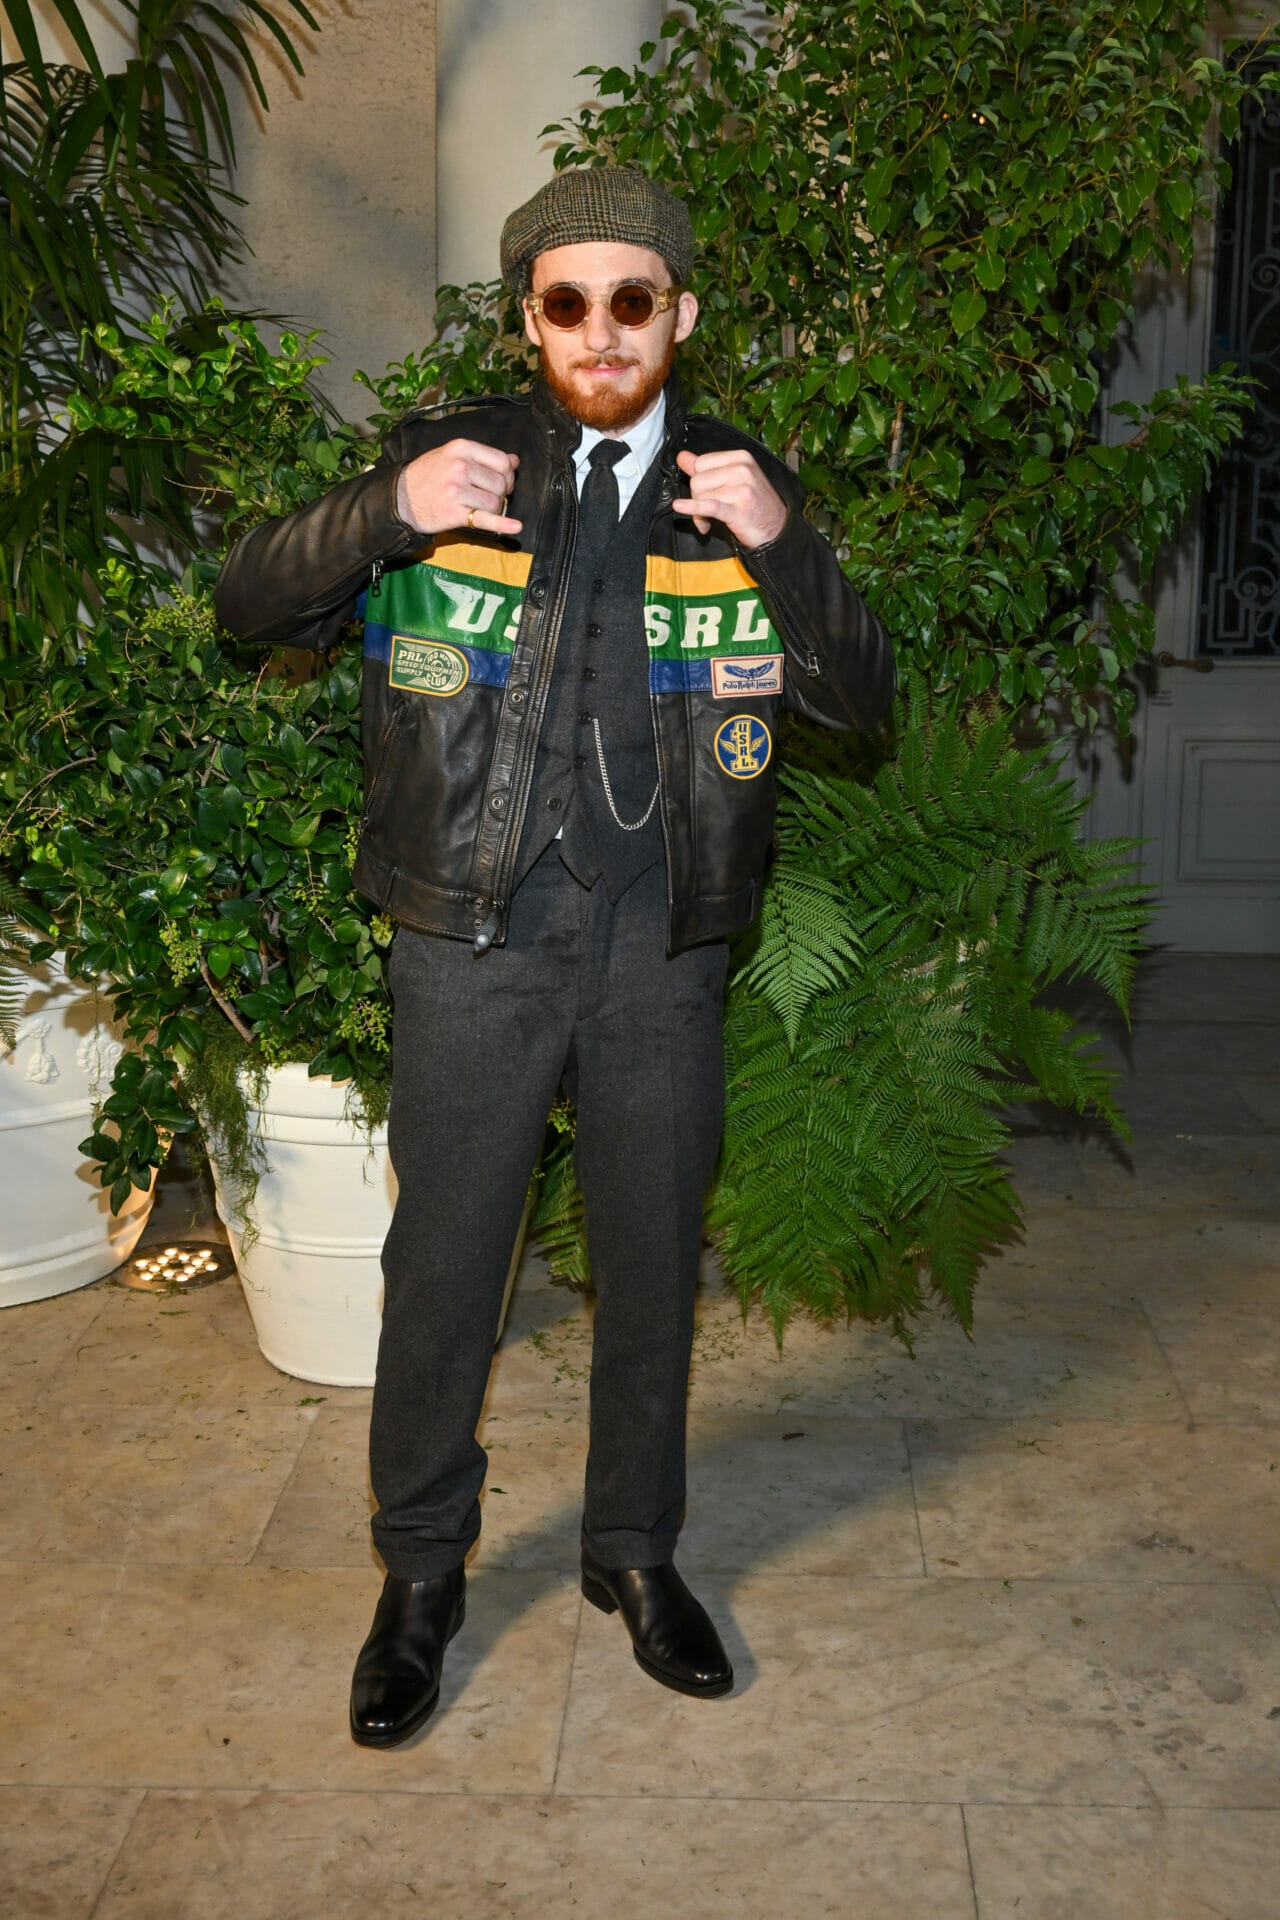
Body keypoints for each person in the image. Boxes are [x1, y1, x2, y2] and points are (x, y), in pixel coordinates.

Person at [215, 165, 896, 1747]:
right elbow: (249, 601)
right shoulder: (446, 462)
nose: (601, 330)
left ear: (680, 315)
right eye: (567, 301)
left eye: (631, 298)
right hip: (475, 934)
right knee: (446, 1266)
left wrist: (785, 542)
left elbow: (863, 700)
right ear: (529, 321)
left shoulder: (743, 485)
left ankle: (634, 1553)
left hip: (663, 940)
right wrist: (384, 513)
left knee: (651, 1261)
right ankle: (420, 1574)